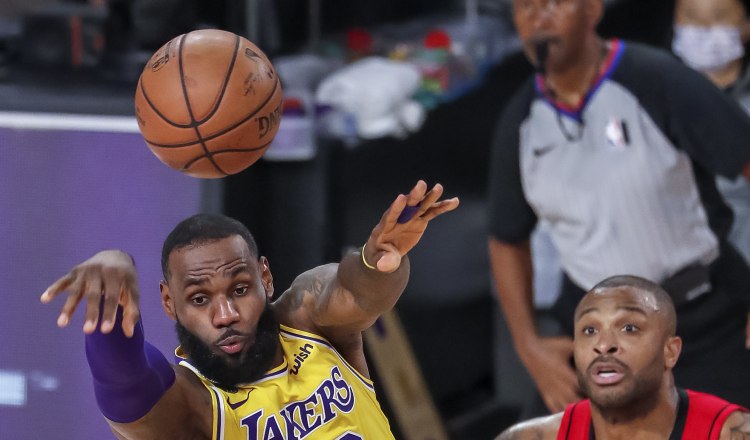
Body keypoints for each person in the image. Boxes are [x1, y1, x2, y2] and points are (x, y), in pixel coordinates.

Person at [488, 0, 750, 416]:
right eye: (525, 7)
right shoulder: (519, 122)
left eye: (553, 4)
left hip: (705, 319)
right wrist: (529, 346)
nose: (538, 18)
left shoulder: (657, 79)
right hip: (604, 339)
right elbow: (506, 239)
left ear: (592, 9)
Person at [40, 180, 459, 439]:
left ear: (266, 277)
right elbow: (126, 382)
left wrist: (379, 258)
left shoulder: (308, 318)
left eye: (240, 288)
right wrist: (111, 297)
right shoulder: (193, 406)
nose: (225, 314)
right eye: (200, 299)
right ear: (169, 303)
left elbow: (360, 292)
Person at [495, 275, 750, 440]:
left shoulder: (730, 433)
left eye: (629, 328)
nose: (604, 345)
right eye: (590, 330)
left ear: (670, 351)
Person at [673, 0, 750, 265]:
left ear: (745, 26)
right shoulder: (655, 95)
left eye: (718, 18)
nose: (704, 30)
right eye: (692, 19)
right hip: (678, 264)